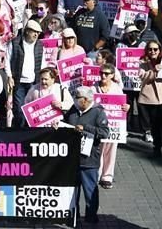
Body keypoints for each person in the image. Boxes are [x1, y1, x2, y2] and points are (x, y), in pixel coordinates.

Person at [65, 86, 110, 225]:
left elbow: (104, 133)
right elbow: (65, 123)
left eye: (77, 97)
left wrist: (86, 128)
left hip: (89, 160)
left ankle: (91, 217)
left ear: (85, 100)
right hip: (73, 159)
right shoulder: (73, 110)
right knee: (72, 191)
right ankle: (74, 216)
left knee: (90, 190)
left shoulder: (98, 112)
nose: (75, 100)